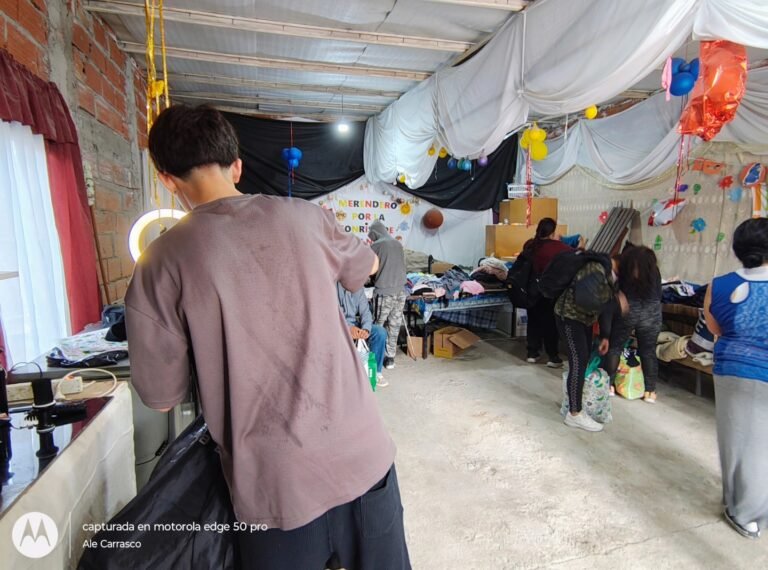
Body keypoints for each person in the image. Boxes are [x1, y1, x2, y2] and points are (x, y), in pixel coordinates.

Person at [125, 105, 411, 569]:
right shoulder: (305, 217)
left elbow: (161, 398)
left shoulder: (159, 262)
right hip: (363, 455)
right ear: (237, 165)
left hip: (274, 487)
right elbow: (369, 267)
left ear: (167, 179)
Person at [704, 218, 768, 540]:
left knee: (738, 443)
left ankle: (743, 513)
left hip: (734, 370)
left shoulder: (719, 284)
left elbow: (715, 328)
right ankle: (750, 508)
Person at [555, 254, 625, 432]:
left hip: (583, 320)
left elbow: (604, 308)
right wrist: (614, 301)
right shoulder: (596, 269)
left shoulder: (610, 275)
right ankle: (574, 414)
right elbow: (587, 300)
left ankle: (574, 404)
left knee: (582, 361)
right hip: (570, 317)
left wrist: (604, 336)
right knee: (578, 362)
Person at [603, 245, 663, 403]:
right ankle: (650, 391)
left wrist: (620, 295)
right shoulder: (654, 272)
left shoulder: (627, 269)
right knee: (648, 351)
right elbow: (659, 294)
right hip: (652, 312)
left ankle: (608, 385)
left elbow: (614, 286)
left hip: (628, 310)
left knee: (615, 347)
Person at [523, 218, 575, 368]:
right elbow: (576, 255)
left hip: (532, 289)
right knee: (550, 323)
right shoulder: (559, 247)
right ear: (553, 232)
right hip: (550, 292)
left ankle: (532, 353)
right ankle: (552, 357)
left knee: (533, 321)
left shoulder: (530, 245)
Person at [369, 220, 407, 370]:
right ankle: (390, 358)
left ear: (375, 233)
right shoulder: (397, 244)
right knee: (394, 324)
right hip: (400, 292)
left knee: (378, 326)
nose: (371, 239)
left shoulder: (375, 246)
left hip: (384, 293)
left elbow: (371, 270)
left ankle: (375, 358)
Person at [337, 283, 389, 388]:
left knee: (380, 332)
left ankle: (375, 373)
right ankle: (341, 375)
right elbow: (331, 314)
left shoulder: (358, 288)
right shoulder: (332, 286)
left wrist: (365, 329)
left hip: (354, 324)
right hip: (337, 325)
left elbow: (365, 312)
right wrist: (348, 328)